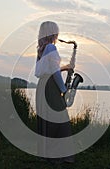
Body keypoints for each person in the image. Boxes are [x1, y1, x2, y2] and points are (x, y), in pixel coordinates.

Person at [34, 21, 74, 164]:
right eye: (56, 32)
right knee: (60, 119)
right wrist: (64, 89)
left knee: (47, 119)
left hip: (42, 87)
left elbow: (42, 71)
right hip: (50, 87)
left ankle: (47, 154)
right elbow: (55, 72)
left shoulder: (41, 48)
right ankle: (58, 156)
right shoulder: (51, 47)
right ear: (51, 33)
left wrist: (65, 68)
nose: (57, 35)